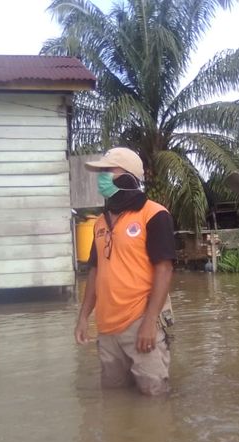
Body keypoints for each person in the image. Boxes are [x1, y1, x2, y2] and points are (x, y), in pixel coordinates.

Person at [74, 147, 176, 396]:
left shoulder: (154, 214)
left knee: (155, 398)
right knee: (114, 398)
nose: (102, 177)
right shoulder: (100, 222)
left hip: (141, 320)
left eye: (108, 170)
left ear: (128, 176)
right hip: (107, 329)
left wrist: (150, 322)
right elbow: (95, 272)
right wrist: (84, 317)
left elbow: (164, 269)